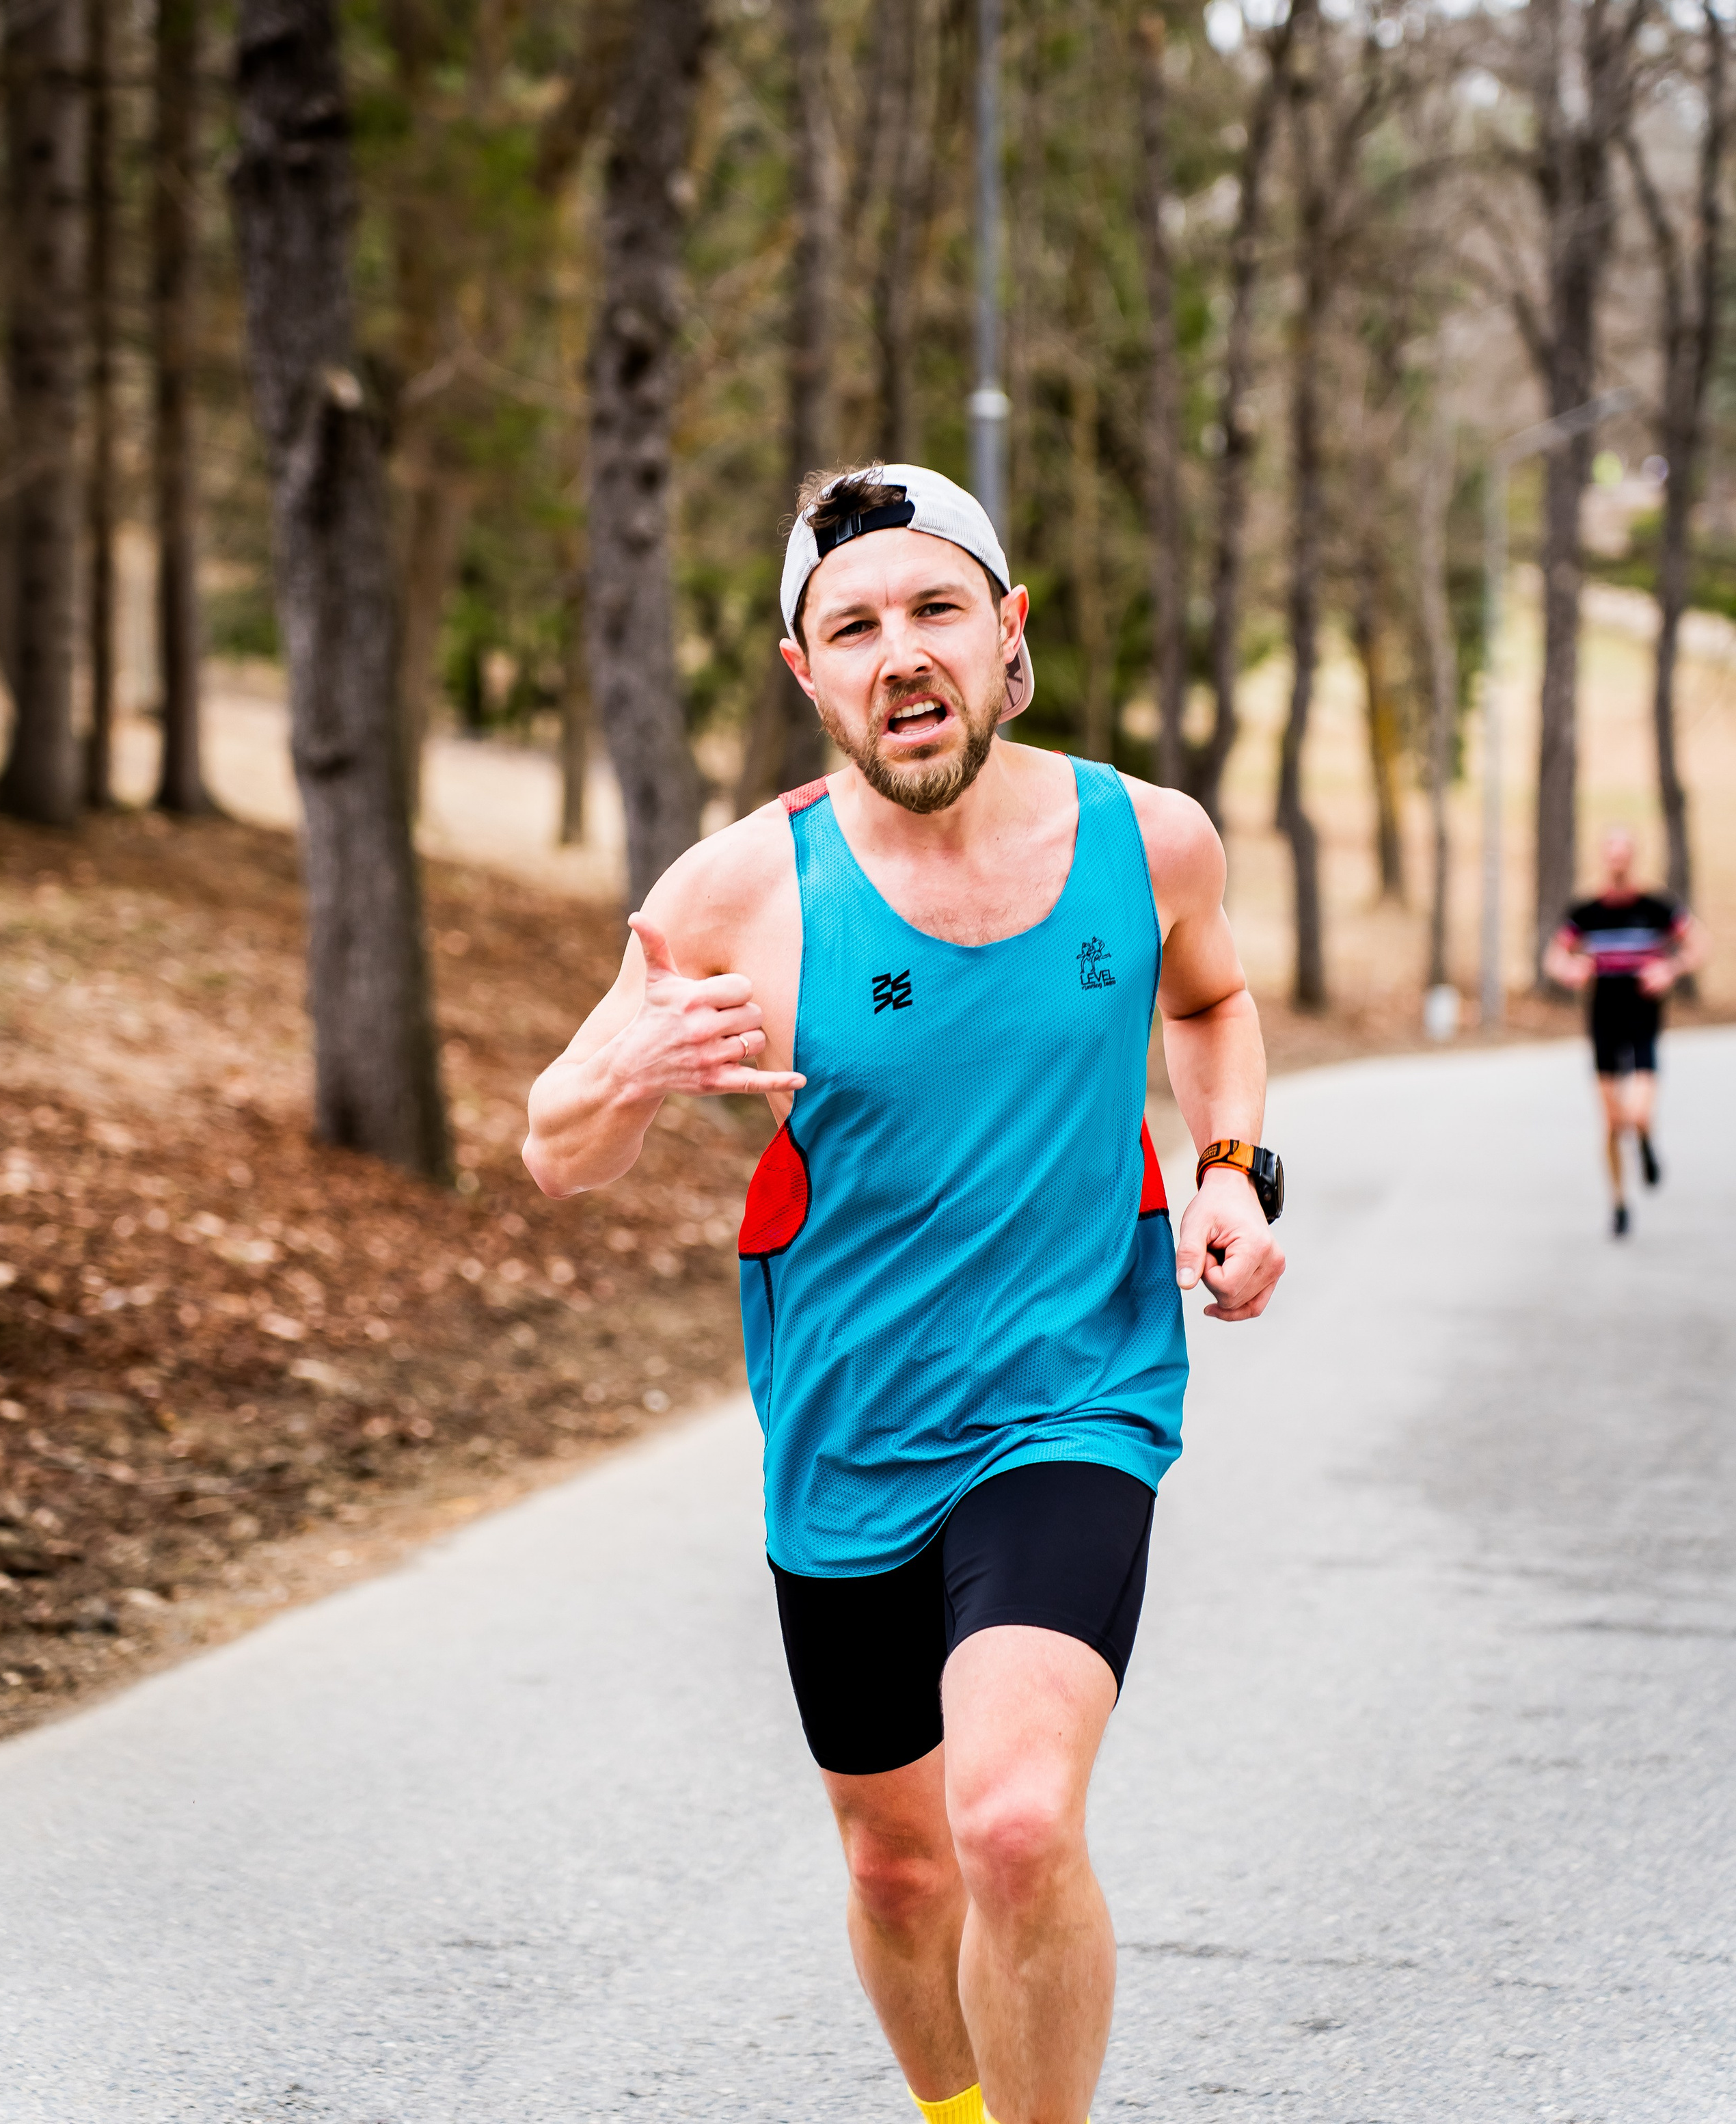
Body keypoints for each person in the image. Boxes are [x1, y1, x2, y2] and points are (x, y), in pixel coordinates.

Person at [523, 464, 1286, 2124]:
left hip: (1074, 1393)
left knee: (1007, 1819)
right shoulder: (736, 892)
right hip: (850, 1430)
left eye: (935, 606)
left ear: (1006, 632)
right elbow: (554, 1145)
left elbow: (1209, 1001)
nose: (901, 651)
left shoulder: (1146, 839)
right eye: (853, 626)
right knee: (896, 1862)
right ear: (807, 674)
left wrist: (1230, 1165)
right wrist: (628, 1074)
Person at [1543, 826, 1707, 1237]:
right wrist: (1571, 969)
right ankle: (1618, 1203)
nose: (1617, 862)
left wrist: (1669, 968)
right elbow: (1554, 956)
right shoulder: (1587, 912)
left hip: (1643, 1021)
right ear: (1603, 858)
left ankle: (1647, 1142)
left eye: (1623, 854)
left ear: (1633, 857)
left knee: (1638, 1113)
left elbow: (1699, 944)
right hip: (1603, 1021)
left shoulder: (1656, 907)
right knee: (1613, 1123)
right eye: (1611, 854)